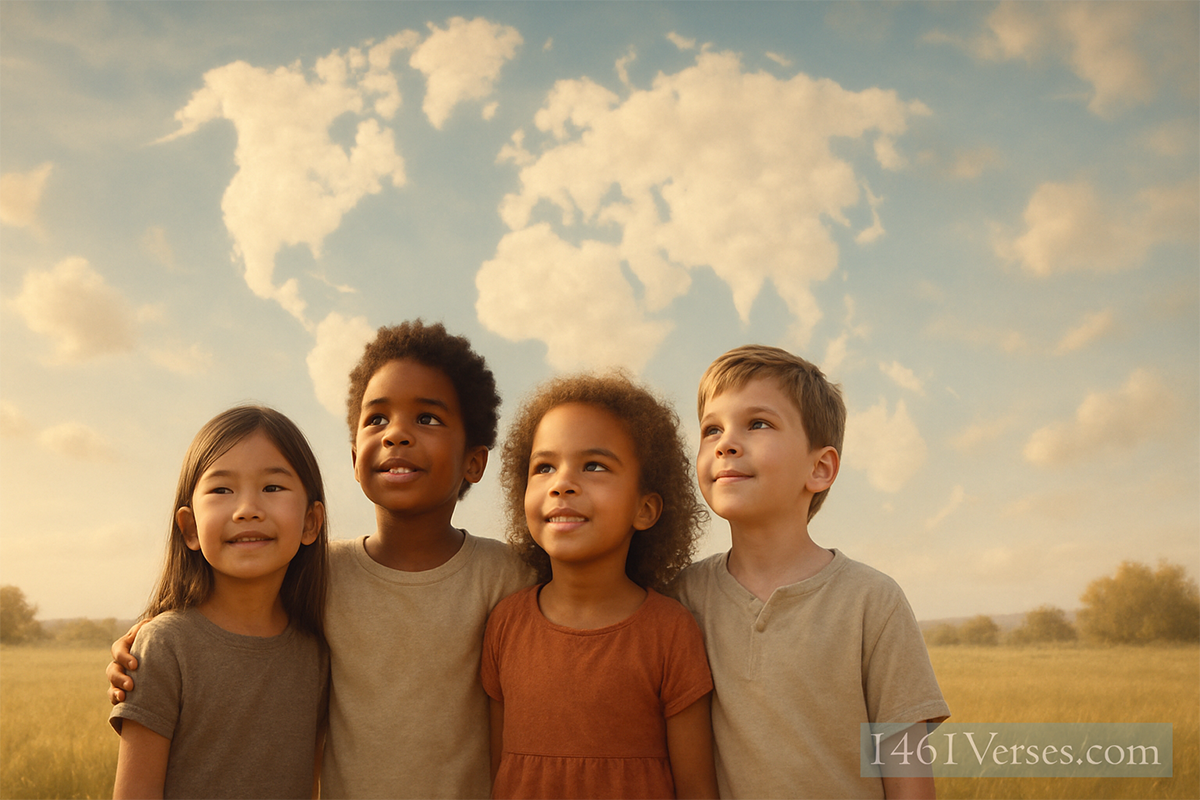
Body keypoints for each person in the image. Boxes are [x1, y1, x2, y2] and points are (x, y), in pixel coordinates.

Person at [110, 321, 532, 799]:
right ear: (354, 459)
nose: (396, 434)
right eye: (377, 419)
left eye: (427, 418)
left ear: (475, 461)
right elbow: (224, 615)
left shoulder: (507, 575)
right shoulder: (319, 571)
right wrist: (143, 640)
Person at [673, 344, 950, 800]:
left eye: (757, 423)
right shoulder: (683, 597)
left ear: (820, 468)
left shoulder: (872, 601)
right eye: (711, 429)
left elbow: (908, 778)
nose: (725, 443)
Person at [483, 373, 719, 800]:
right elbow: (500, 772)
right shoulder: (505, 624)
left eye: (593, 466)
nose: (562, 483)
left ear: (645, 508)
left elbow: (697, 788)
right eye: (544, 467)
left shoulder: (671, 631)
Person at [110, 405, 329, 799]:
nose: (248, 510)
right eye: (222, 490)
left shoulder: (317, 652)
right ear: (190, 528)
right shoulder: (165, 647)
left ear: (311, 522)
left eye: (272, 488)